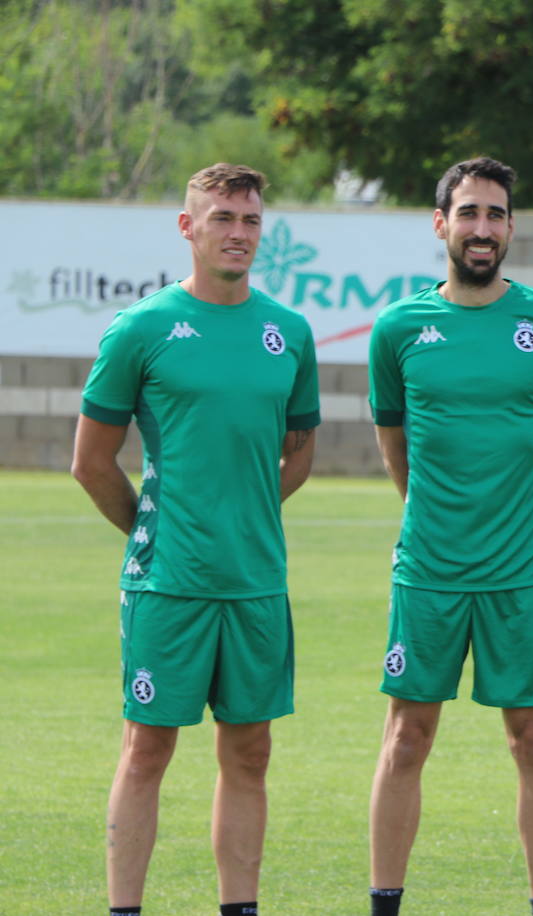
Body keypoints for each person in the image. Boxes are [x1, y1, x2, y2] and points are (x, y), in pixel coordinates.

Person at [72, 163, 320, 916]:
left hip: (255, 582)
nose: (237, 234)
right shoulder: (141, 329)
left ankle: (238, 908)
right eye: (222, 219)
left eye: (249, 222)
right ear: (188, 227)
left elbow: (300, 450)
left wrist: (244, 514)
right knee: (147, 749)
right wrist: (154, 530)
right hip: (167, 582)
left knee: (250, 754)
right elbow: (90, 461)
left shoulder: (290, 331)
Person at [365, 157, 533, 916]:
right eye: (468, 213)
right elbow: (397, 445)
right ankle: (385, 901)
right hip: (428, 569)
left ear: (511, 227)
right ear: (442, 225)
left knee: (532, 738)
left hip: (520, 571)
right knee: (408, 735)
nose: (482, 228)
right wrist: (436, 510)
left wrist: (511, 506)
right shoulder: (399, 329)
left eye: (495, 214)